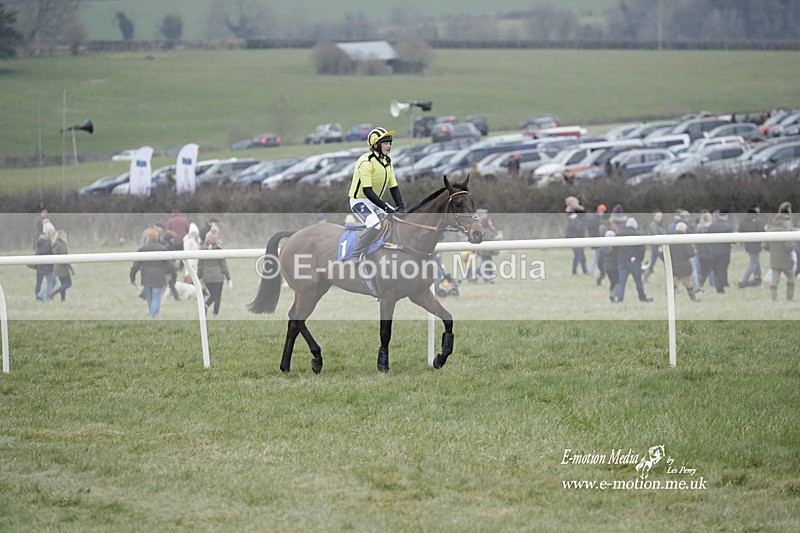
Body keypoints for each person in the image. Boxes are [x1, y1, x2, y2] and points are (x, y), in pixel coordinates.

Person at [347, 127, 405, 258]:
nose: (389, 146)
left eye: (390, 143)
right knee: (375, 225)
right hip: (359, 201)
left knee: (398, 220)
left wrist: (401, 206)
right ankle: (356, 255)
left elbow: (394, 187)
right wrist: (385, 207)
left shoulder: (387, 162)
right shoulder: (366, 162)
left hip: (375, 202)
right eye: (385, 143)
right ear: (376, 145)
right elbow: (367, 191)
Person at [130, 228, 177, 318]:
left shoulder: (142, 249)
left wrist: (132, 277)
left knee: (150, 300)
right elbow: (170, 265)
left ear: (148, 237)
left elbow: (135, 266)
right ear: (157, 237)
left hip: (146, 278)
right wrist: (174, 275)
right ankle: (153, 316)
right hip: (158, 278)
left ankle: (152, 316)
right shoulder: (162, 249)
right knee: (156, 298)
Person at [613, 217, 653, 303]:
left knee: (622, 282)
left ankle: (620, 298)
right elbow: (642, 249)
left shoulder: (619, 234)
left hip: (622, 261)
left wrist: (618, 257)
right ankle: (642, 297)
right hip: (634, 262)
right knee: (638, 281)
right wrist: (639, 259)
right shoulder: (637, 235)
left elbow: (614, 248)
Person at [763, 201, 795, 301]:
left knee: (774, 280)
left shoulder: (770, 229)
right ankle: (789, 298)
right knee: (791, 278)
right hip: (786, 259)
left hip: (774, 259)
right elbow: (789, 247)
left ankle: (774, 299)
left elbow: (765, 245)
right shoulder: (786, 230)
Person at [198, 232, 231, 318]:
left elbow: (200, 266)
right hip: (218, 277)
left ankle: (206, 305)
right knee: (217, 296)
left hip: (207, 277)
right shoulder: (218, 250)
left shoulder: (202, 250)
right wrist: (229, 278)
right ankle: (215, 314)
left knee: (212, 295)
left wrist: (198, 277)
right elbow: (224, 266)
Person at [737, 204, 765, 288]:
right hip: (756, 244)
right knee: (753, 263)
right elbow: (762, 232)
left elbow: (740, 230)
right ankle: (744, 281)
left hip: (747, 244)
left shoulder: (743, 220)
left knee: (756, 261)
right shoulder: (758, 220)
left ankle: (758, 279)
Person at [669, 222, 698, 301]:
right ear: (684, 230)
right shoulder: (685, 240)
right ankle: (693, 299)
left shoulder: (670, 240)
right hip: (684, 267)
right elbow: (691, 253)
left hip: (673, 267)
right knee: (688, 285)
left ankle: (671, 300)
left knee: (672, 286)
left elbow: (662, 254)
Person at [707, 208, 734, 293]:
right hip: (724, 252)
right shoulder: (728, 226)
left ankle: (719, 286)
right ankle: (721, 288)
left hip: (713, 252)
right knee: (722, 269)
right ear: (726, 216)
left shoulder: (712, 226)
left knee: (716, 270)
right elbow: (733, 240)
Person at [48, 229, 74, 302]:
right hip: (63, 268)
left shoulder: (55, 244)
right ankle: (53, 293)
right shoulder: (62, 245)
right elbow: (65, 258)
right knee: (68, 283)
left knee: (63, 284)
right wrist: (70, 268)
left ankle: (63, 300)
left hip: (57, 267)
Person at [34, 222, 57, 301]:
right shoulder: (46, 242)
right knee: (50, 283)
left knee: (53, 281)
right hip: (47, 267)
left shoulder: (42, 241)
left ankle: (41, 295)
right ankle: (46, 297)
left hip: (43, 266)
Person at [564, 196, 587, 275]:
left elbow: (583, 210)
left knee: (581, 255)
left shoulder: (578, 213)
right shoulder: (569, 213)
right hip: (574, 237)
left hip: (580, 236)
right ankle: (575, 271)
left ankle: (584, 270)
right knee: (578, 254)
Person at [597, 229, 619, 301]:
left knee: (612, 281)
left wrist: (601, 269)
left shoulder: (602, 248)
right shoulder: (615, 247)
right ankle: (613, 294)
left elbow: (600, 260)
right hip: (615, 267)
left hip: (606, 268)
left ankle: (611, 293)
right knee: (617, 281)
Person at [643, 210, 665, 280]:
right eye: (657, 216)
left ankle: (646, 276)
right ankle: (646, 276)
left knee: (653, 262)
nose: (659, 218)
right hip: (656, 247)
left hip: (659, 246)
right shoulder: (653, 225)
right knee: (653, 263)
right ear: (654, 217)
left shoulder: (659, 225)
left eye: (660, 216)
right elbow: (656, 234)